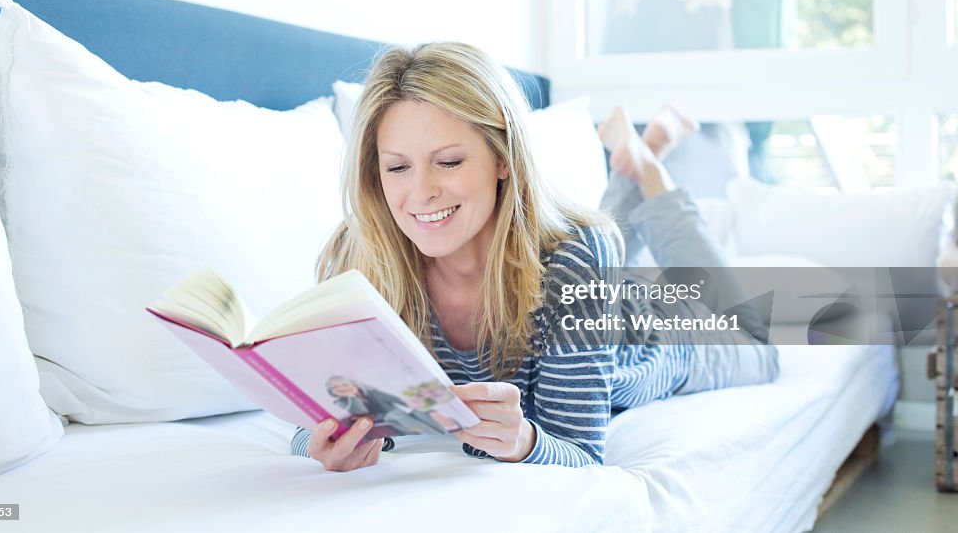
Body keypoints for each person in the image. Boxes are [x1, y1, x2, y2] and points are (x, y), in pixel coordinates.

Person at [291, 43, 778, 471]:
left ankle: (648, 167)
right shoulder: (358, 257)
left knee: (759, 346)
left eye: (449, 161)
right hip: (578, 274)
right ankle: (636, 157)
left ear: (503, 158)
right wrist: (321, 444)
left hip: (646, 333)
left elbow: (582, 452)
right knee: (586, 244)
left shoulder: (576, 260)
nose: (421, 192)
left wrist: (523, 442)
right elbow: (310, 420)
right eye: (397, 167)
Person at [324, 376, 449, 436]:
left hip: (396, 415)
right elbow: (362, 412)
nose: (341, 388)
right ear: (332, 392)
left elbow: (395, 399)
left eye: (344, 384)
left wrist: (420, 405)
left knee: (419, 411)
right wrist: (351, 396)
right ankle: (434, 436)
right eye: (335, 388)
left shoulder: (372, 392)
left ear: (354, 384)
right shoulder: (343, 402)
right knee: (397, 415)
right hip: (379, 420)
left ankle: (443, 435)